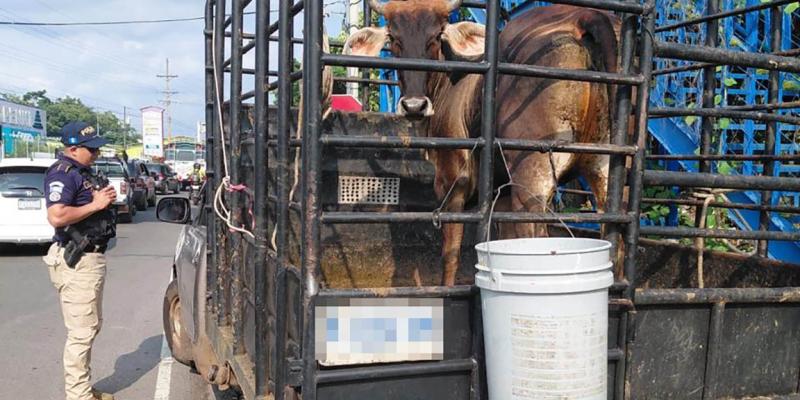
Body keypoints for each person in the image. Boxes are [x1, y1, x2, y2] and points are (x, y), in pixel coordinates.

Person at [42, 121, 117, 400]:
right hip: (78, 261)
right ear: (73, 148)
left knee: (90, 326)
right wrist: (96, 204)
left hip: (90, 260)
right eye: (91, 149)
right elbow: (57, 216)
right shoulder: (62, 174)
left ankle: (82, 389)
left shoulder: (81, 172)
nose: (96, 154)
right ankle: (78, 396)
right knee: (81, 333)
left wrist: (103, 201)